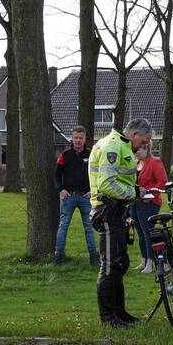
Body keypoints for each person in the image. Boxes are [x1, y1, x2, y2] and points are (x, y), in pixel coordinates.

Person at [88, 118, 153, 328]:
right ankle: (108, 318)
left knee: (120, 262)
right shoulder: (113, 146)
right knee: (110, 265)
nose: (143, 146)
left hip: (116, 211)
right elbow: (107, 184)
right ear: (134, 134)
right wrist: (134, 192)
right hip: (107, 210)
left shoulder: (121, 144)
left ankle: (120, 312)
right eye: (144, 141)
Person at [53, 126, 100, 266]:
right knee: (63, 226)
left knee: (89, 227)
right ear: (72, 138)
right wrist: (60, 189)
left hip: (87, 197)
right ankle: (58, 256)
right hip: (69, 197)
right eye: (75, 138)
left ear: (85, 138)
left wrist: (93, 191)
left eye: (81, 138)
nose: (78, 140)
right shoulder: (65, 154)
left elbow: (98, 175)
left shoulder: (92, 154)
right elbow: (56, 174)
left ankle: (94, 258)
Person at [130, 142, 167, 274]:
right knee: (140, 233)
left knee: (148, 233)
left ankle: (152, 262)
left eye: (138, 149)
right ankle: (144, 260)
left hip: (149, 203)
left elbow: (162, 181)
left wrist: (150, 196)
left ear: (146, 149)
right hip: (135, 202)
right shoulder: (136, 163)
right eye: (134, 150)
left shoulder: (155, 162)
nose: (135, 152)